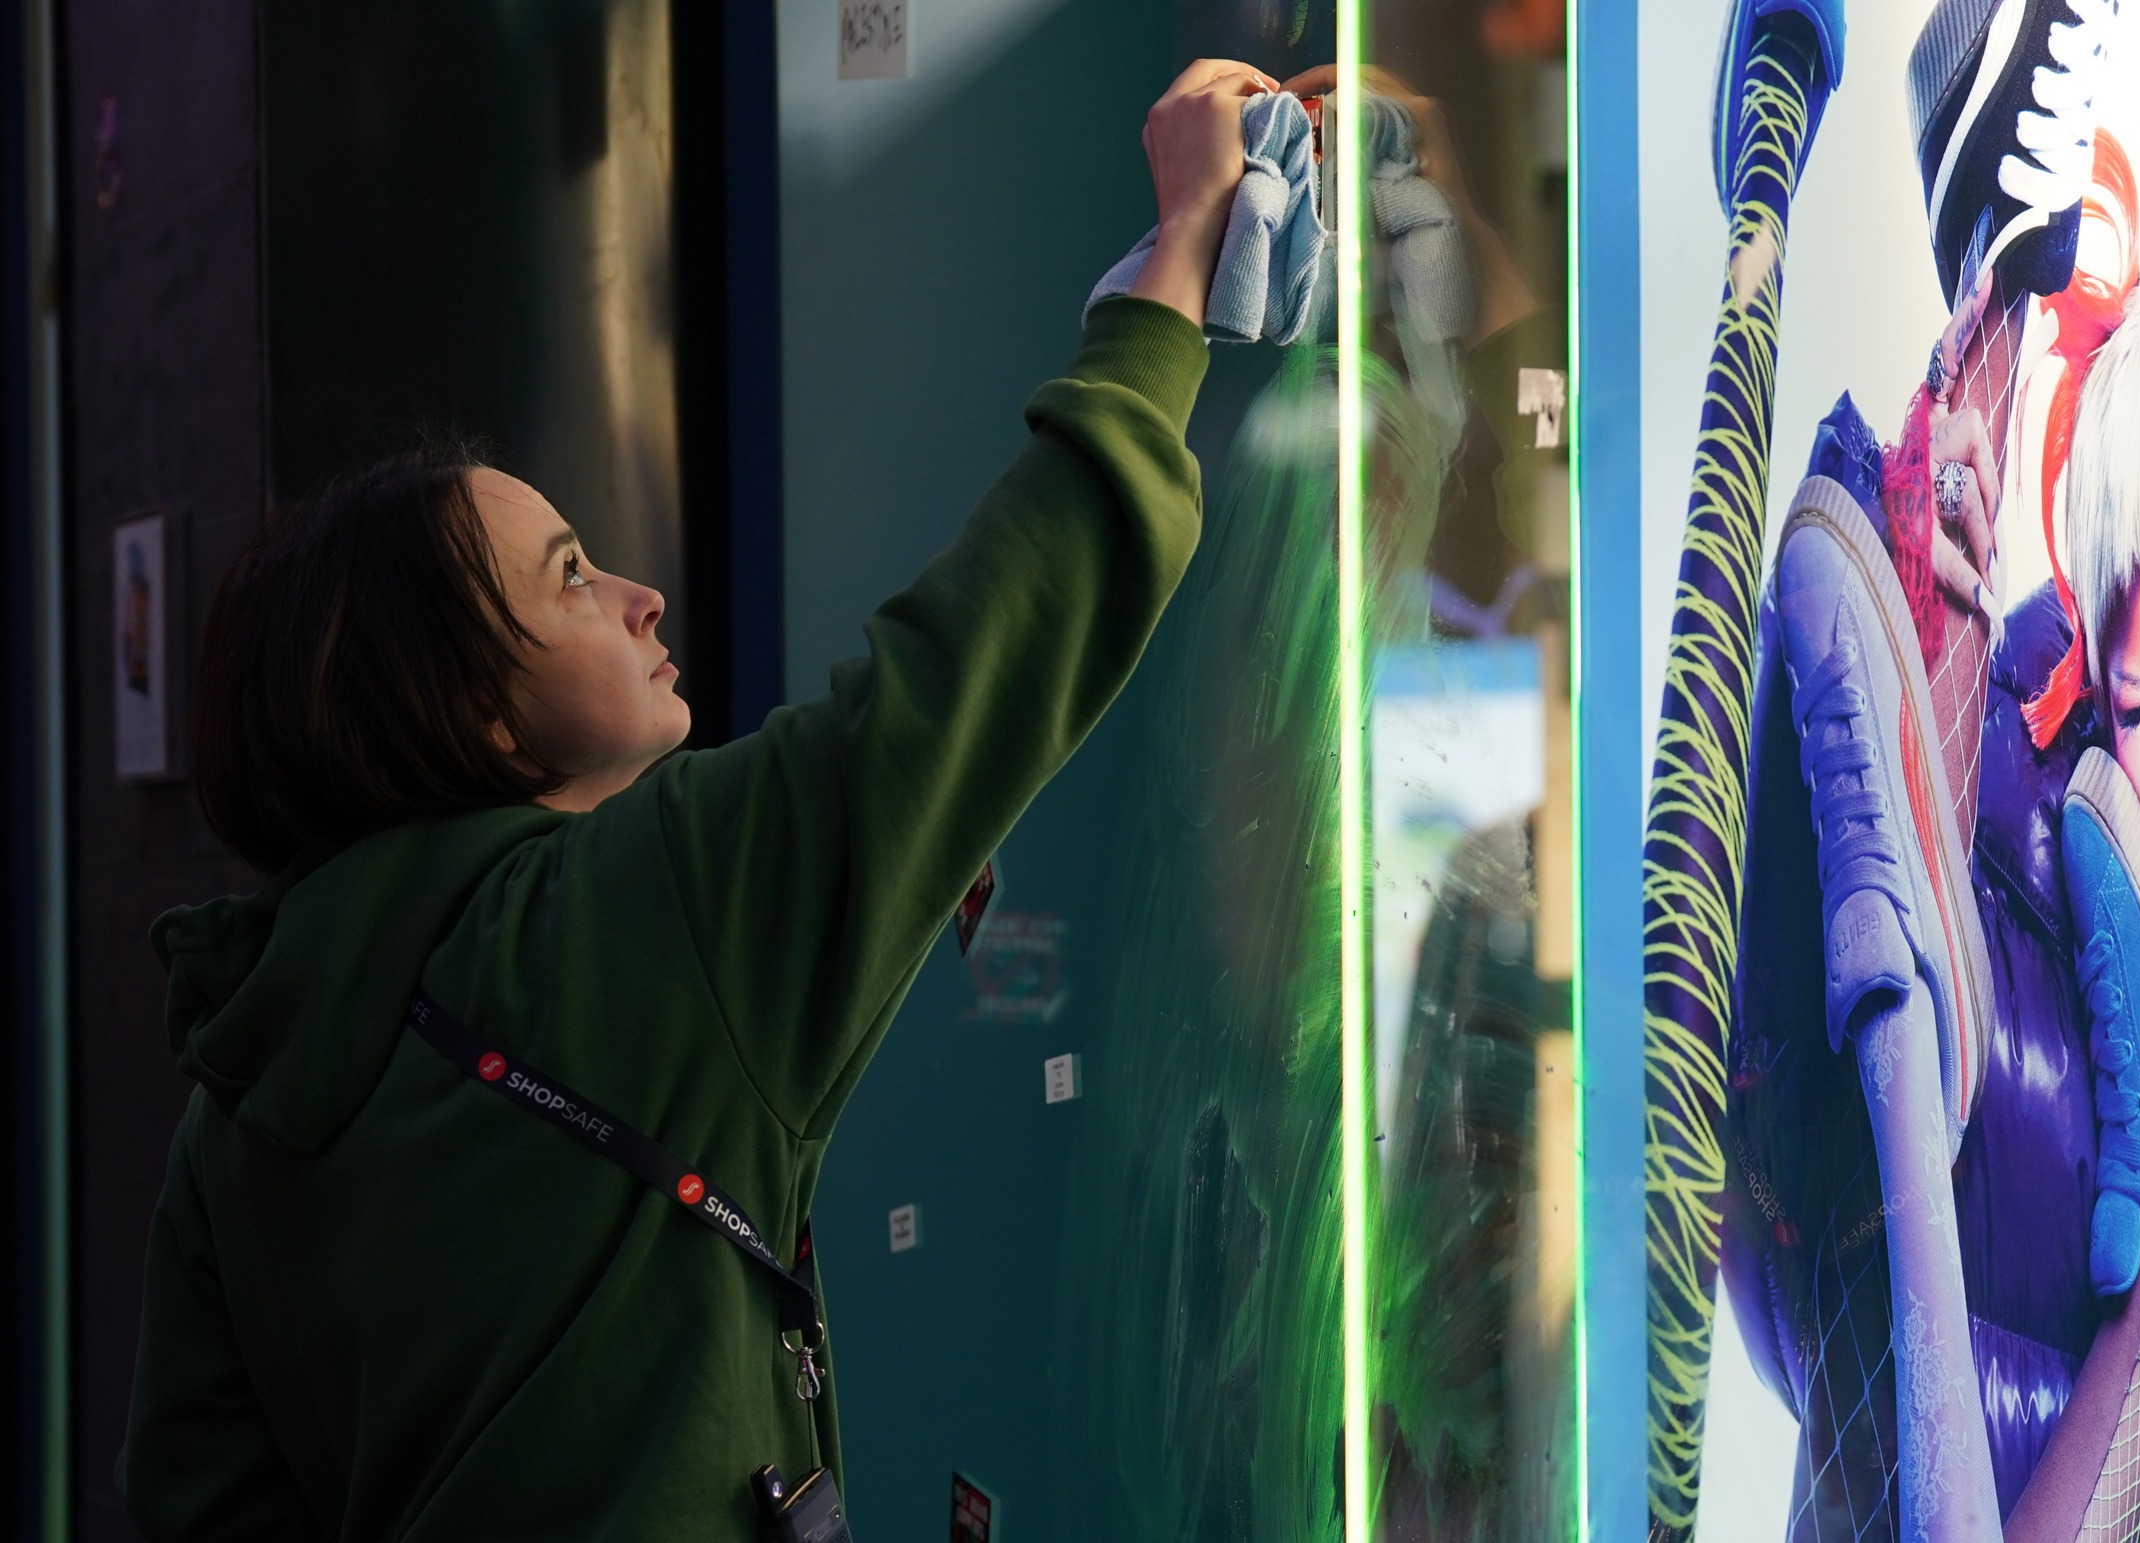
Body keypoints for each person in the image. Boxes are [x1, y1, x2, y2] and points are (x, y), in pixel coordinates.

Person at [117, 57, 1280, 1542]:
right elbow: (977, 666)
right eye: (570, 581)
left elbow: (198, 1507)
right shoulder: (632, 920)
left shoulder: (235, 1102)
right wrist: (1176, 263)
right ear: (470, 715)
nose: (640, 595)